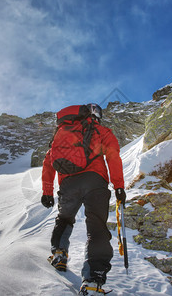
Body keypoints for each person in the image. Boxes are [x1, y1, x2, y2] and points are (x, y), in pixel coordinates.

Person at [41, 103, 126, 294]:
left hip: (68, 183)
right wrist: (119, 186)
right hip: (96, 181)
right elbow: (113, 155)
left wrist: (47, 191)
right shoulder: (101, 130)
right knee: (96, 228)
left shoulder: (61, 132)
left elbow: (48, 162)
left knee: (64, 219)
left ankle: (59, 253)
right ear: (96, 114)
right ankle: (92, 280)